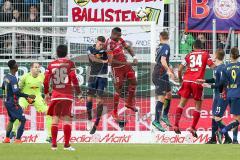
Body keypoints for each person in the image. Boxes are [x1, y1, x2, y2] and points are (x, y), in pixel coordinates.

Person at [174, 40, 215, 137]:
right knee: (198, 106)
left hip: (187, 81)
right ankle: (192, 127)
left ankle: (176, 125)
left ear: (193, 46)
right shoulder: (205, 54)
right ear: (201, 46)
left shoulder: (188, 55)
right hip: (198, 81)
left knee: (181, 104)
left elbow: (179, 69)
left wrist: (180, 79)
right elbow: (213, 66)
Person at [44, 45, 81, 151]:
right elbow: (73, 77)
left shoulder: (51, 64)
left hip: (55, 95)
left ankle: (54, 145)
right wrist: (79, 92)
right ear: (66, 52)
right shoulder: (70, 63)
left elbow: (46, 80)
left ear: (56, 52)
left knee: (55, 118)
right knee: (66, 119)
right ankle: (66, 145)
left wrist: (46, 93)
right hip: (67, 95)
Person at [197, 49, 232, 144]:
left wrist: (210, 86)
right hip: (217, 96)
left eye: (213, 54)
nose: (212, 56)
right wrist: (205, 81)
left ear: (216, 56)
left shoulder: (222, 68)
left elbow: (222, 84)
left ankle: (228, 138)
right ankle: (213, 139)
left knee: (217, 117)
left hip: (222, 96)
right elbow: (215, 79)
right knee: (214, 117)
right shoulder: (216, 68)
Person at [10, 62, 52, 143]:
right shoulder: (25, 77)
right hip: (25, 96)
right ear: (31, 69)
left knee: (49, 112)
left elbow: (47, 86)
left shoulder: (42, 76)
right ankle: (13, 131)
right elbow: (19, 88)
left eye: (38, 67)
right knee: (18, 111)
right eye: (35, 67)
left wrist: (48, 93)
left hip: (37, 97)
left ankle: (49, 136)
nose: (37, 69)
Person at [105, 27, 138, 121]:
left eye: (120, 35)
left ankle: (129, 103)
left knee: (134, 82)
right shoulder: (108, 44)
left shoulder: (119, 39)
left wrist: (134, 57)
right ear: (112, 33)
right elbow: (111, 61)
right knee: (118, 89)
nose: (119, 37)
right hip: (117, 69)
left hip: (126, 66)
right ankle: (115, 112)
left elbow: (127, 47)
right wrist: (124, 63)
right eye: (117, 35)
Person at [2, 60, 35, 143]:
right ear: (14, 67)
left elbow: (3, 87)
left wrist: (5, 97)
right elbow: (16, 92)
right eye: (16, 64)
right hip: (13, 103)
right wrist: (28, 96)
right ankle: (18, 139)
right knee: (23, 119)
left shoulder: (6, 76)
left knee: (12, 119)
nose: (18, 65)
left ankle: (7, 138)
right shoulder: (13, 78)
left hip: (7, 101)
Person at [86, 36, 109, 134]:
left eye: (102, 44)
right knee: (89, 98)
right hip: (92, 76)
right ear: (96, 42)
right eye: (100, 43)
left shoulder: (106, 52)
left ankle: (96, 124)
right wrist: (102, 61)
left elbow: (109, 61)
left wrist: (105, 59)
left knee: (99, 101)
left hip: (102, 77)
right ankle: (89, 119)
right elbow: (92, 58)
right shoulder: (90, 48)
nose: (101, 45)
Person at [152, 31, 174, 131]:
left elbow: (164, 61)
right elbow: (163, 61)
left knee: (169, 94)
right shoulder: (166, 46)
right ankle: (156, 120)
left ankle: (164, 115)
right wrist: (169, 70)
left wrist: (170, 68)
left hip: (162, 74)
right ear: (168, 37)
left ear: (160, 37)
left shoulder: (159, 46)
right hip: (160, 74)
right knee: (161, 98)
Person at [217, 47, 240, 144]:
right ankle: (223, 131)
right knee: (237, 120)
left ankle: (234, 140)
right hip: (238, 94)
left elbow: (222, 82)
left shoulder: (226, 67)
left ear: (230, 56)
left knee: (236, 118)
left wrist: (221, 92)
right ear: (238, 55)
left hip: (231, 94)